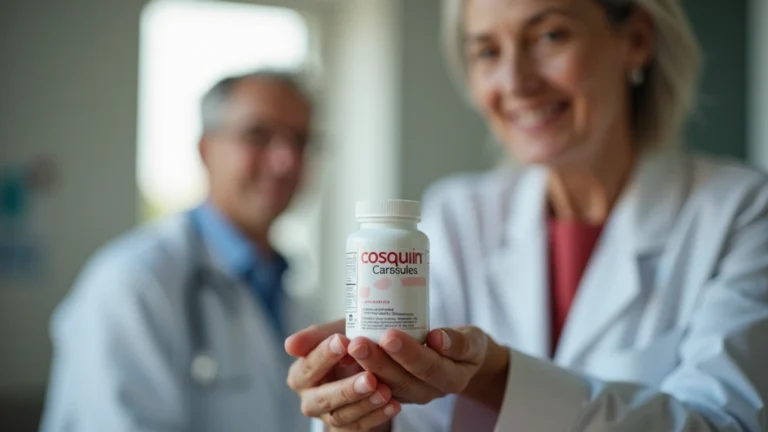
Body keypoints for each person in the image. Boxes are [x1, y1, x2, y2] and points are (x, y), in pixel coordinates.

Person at [285, 0, 768, 431]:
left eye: (550, 35)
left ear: (637, 39)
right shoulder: (457, 215)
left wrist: (498, 377)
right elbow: (416, 418)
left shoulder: (741, 210)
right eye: (487, 51)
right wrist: (361, 413)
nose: (515, 82)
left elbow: (725, 423)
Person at [41, 70, 316, 432]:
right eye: (258, 135)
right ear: (206, 150)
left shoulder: (289, 291)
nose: (286, 161)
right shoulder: (132, 282)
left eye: (300, 141)